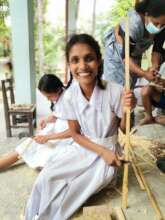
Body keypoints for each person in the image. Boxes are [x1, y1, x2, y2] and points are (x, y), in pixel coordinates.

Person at [25, 34, 136, 220]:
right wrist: (100, 151)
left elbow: (124, 130)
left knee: (73, 191)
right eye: (75, 60)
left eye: (89, 58)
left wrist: (127, 110)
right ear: (69, 65)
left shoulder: (115, 91)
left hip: (109, 152)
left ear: (99, 61)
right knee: (46, 178)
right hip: (83, 147)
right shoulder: (69, 96)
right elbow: (76, 135)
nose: (83, 66)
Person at [0, 74, 72, 170]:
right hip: (56, 132)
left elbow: (74, 131)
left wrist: (47, 137)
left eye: (49, 96)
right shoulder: (61, 95)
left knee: (31, 147)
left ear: (58, 89)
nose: (47, 99)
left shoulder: (69, 100)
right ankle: (7, 158)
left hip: (65, 139)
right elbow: (60, 113)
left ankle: (6, 160)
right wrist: (46, 120)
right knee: (29, 144)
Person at [103, 0, 165, 88]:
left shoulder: (162, 26)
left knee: (129, 89)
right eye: (156, 23)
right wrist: (144, 74)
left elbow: (157, 49)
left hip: (134, 53)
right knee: (117, 89)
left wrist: (154, 67)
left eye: (162, 25)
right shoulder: (134, 24)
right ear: (146, 14)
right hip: (118, 52)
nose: (159, 28)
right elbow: (126, 57)